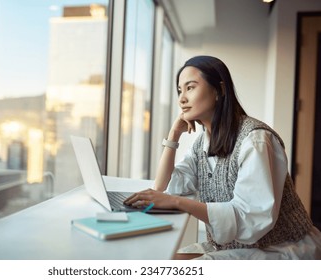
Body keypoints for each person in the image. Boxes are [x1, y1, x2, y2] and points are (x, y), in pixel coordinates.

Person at [124, 55, 321, 259]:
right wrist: (174, 135)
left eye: (190, 87)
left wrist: (177, 202)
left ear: (220, 90)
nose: (182, 98)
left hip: (282, 249)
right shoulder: (203, 142)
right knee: (162, 260)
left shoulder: (256, 140)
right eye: (180, 90)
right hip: (235, 247)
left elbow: (250, 219)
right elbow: (164, 186)